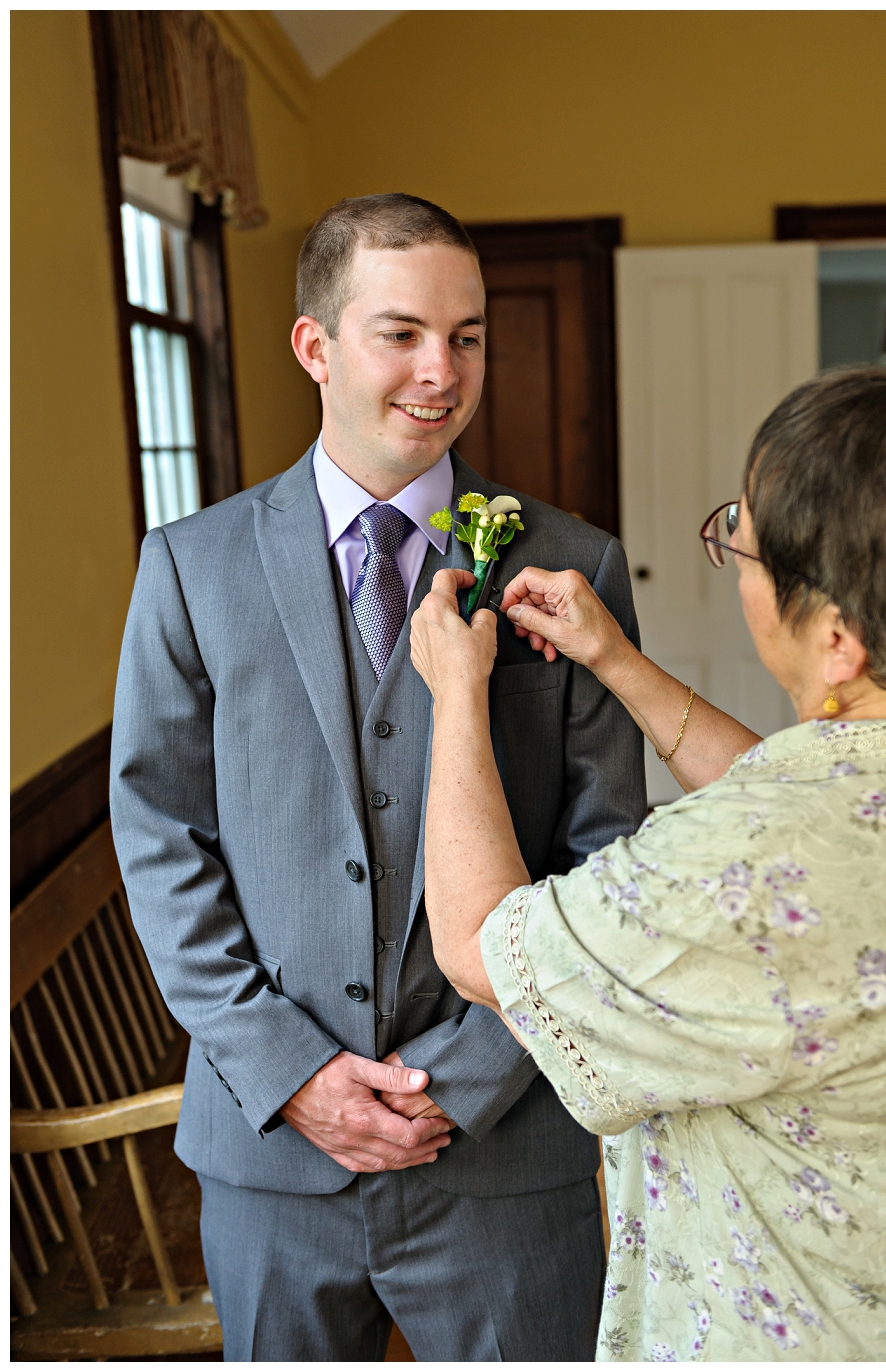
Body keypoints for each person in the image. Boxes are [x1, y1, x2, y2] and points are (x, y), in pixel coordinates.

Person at [110, 193, 645, 1359]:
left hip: (505, 1153)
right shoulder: (191, 569)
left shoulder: (573, 564)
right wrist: (291, 1071)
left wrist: (466, 1076)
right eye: (400, 332)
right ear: (316, 346)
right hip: (272, 1156)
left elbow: (605, 857)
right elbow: (159, 840)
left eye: (467, 336)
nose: (439, 371)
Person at [407, 366, 886, 1361]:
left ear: (839, 639)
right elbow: (794, 787)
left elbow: (477, 944)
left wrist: (455, 695)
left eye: (745, 545)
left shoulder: (745, 856)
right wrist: (617, 659)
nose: (736, 566)